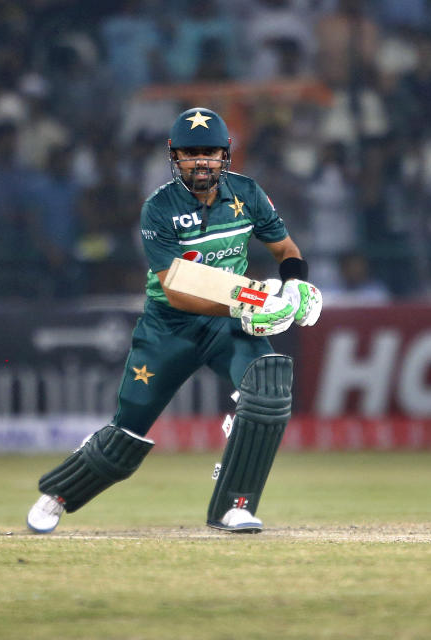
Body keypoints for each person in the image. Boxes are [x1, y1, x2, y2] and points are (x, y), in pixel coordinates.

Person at [26, 107, 322, 533]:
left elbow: (286, 251)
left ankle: (233, 505)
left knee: (269, 388)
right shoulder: (158, 208)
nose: (201, 162)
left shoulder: (248, 194)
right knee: (125, 436)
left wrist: (294, 286)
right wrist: (251, 300)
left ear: (226, 154)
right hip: (169, 326)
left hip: (226, 322)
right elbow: (176, 289)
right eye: (190, 153)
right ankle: (58, 494)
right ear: (173, 156)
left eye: (210, 153)